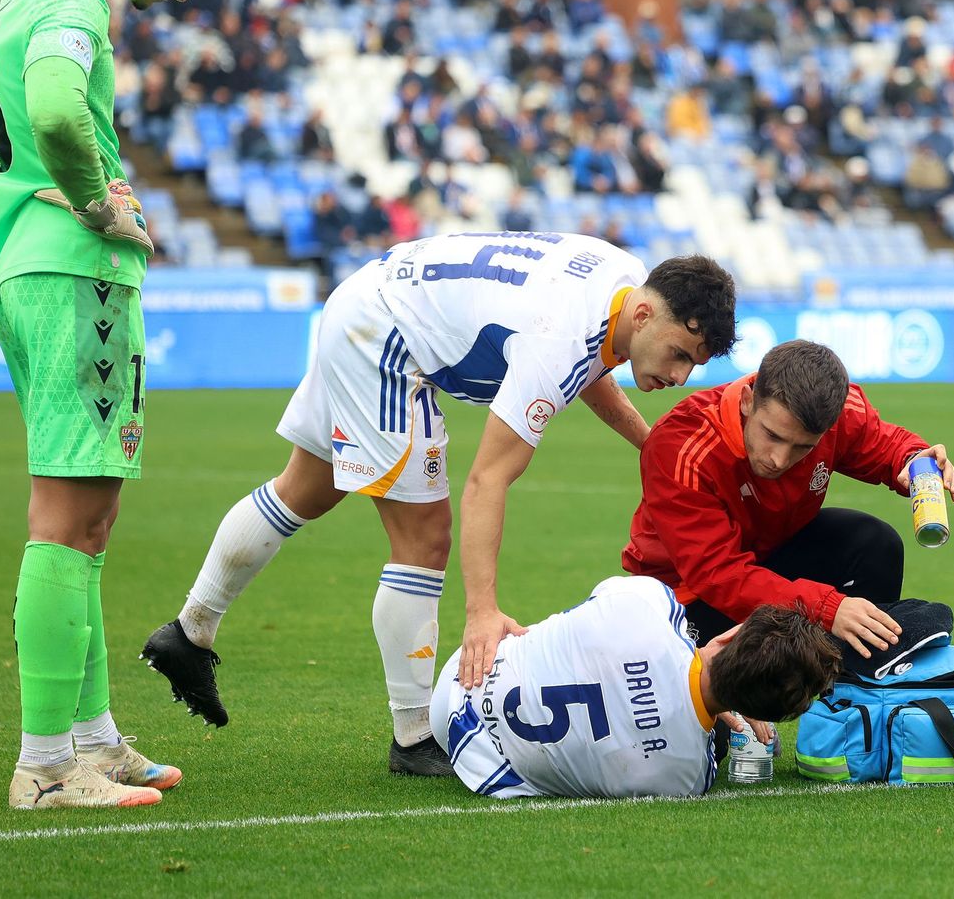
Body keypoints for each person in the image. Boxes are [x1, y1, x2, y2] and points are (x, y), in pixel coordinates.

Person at [142, 236, 737, 778]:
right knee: (425, 538)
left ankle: (189, 633)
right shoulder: (561, 334)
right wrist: (482, 610)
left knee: (306, 489)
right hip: (388, 343)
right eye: (680, 354)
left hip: (370, 299)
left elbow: (588, 366)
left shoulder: (625, 282)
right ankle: (413, 735)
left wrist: (652, 444)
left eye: (694, 365)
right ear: (644, 315)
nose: (681, 375)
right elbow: (488, 479)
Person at [0, 0, 240, 810]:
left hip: (18, 264)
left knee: (88, 518)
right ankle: (45, 766)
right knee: (66, 518)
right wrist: (98, 202)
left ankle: (89, 737)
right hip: (71, 272)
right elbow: (49, 108)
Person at [623, 340, 954, 658]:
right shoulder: (681, 446)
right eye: (772, 435)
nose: (779, 460)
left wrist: (916, 462)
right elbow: (719, 575)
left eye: (803, 447)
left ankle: (857, 691)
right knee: (722, 716)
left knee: (873, 542)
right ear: (747, 401)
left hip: (766, 560)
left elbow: (886, 445)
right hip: (685, 597)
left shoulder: (838, 411)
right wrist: (827, 608)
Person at [432, 576, 839, 799]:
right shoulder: (688, 778)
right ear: (764, 716)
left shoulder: (648, 603)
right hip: (479, 761)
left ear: (732, 635)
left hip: (468, 674)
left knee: (578, 630)